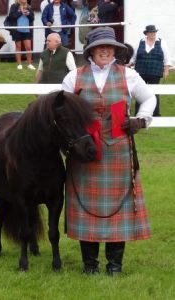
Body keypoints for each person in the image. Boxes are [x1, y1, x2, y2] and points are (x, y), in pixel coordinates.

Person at [62, 26, 156, 275]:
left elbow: (149, 98)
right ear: (91, 51)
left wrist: (141, 120)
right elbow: (61, 108)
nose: (105, 50)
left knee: (119, 207)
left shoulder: (129, 75)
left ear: (114, 50)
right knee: (86, 208)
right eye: (99, 47)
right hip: (84, 153)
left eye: (109, 46)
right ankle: (89, 266)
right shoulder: (74, 77)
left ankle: (115, 266)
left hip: (119, 152)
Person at [128, 25, 171, 116]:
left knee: (155, 92)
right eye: (151, 32)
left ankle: (155, 114)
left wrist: (166, 69)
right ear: (147, 33)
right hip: (141, 71)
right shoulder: (141, 42)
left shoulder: (161, 42)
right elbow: (134, 57)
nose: (153, 34)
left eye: (154, 32)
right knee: (139, 92)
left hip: (155, 72)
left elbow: (167, 57)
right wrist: (128, 65)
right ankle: (138, 113)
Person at [8, 0, 36, 70]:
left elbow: (33, 18)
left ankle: (29, 64)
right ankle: (19, 64)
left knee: (28, 47)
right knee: (18, 47)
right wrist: (20, 12)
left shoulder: (29, 7)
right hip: (17, 30)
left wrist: (28, 14)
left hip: (27, 30)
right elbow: (11, 17)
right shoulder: (14, 6)